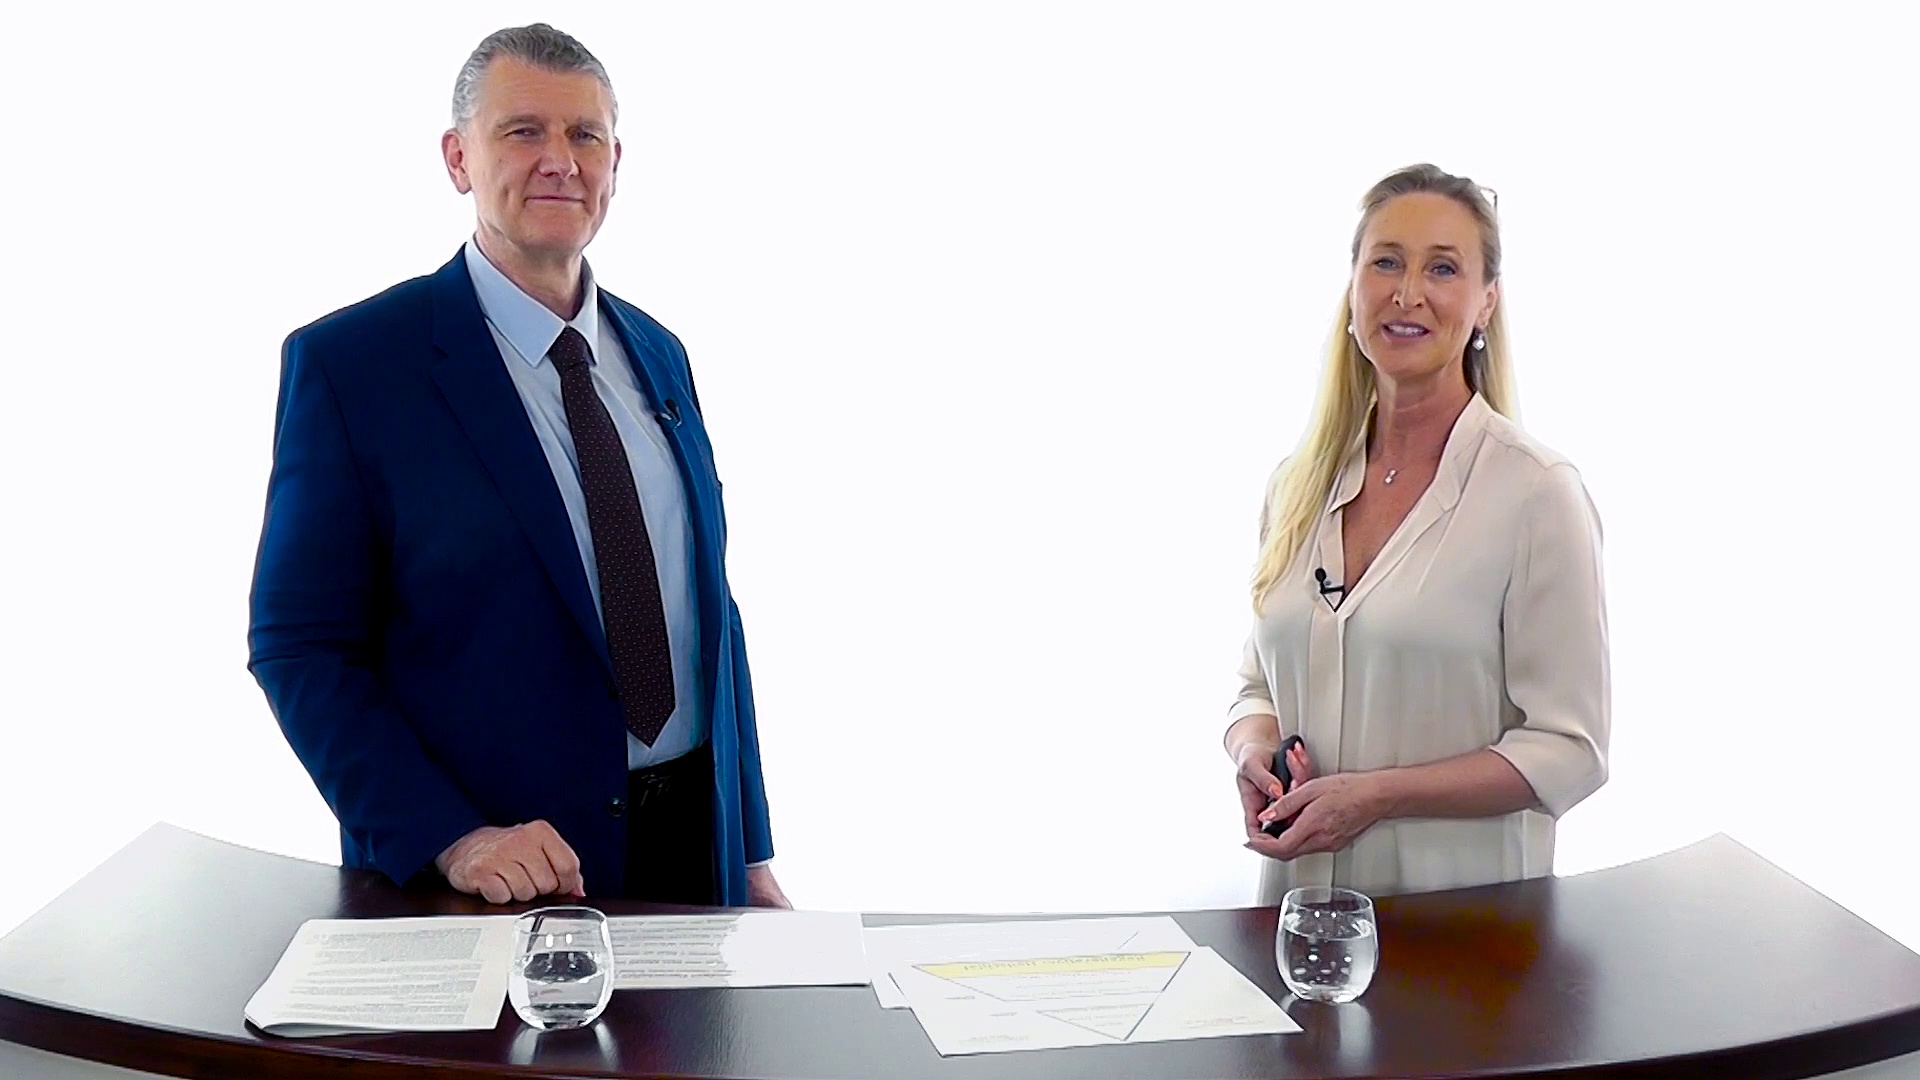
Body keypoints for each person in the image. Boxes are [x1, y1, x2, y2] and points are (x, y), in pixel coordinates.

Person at [247, 24, 789, 909]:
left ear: (616, 163)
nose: (560, 161)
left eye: (586, 135)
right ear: (458, 158)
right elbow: (301, 647)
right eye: (523, 131)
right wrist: (452, 837)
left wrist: (750, 849)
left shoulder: (661, 354)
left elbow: (709, 613)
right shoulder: (355, 367)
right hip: (503, 879)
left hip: (696, 858)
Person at [1223, 163, 1609, 901]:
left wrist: (1378, 796)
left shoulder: (1537, 493)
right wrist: (1254, 749)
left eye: (1443, 268)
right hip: (1299, 920)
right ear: (1353, 289)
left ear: (1487, 302)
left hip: (1465, 931)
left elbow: (1570, 748)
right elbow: (1256, 685)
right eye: (1386, 263)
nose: (1407, 294)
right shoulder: (1295, 487)